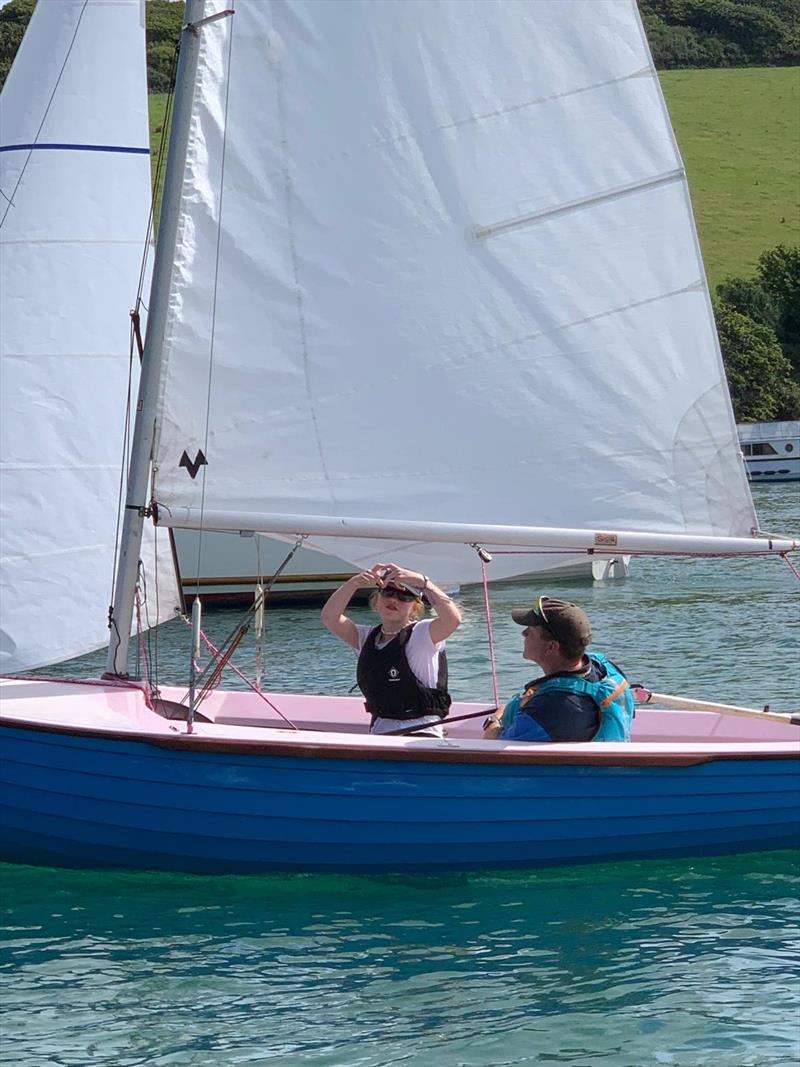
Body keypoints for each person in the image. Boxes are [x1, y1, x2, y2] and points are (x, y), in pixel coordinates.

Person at [321, 563, 462, 737]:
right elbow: (330, 618)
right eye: (387, 592)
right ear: (377, 599)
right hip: (381, 731)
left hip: (422, 732)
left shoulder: (423, 633)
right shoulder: (366, 637)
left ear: (415, 608)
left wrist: (425, 583)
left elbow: (452, 620)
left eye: (405, 597)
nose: (394, 600)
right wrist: (353, 583)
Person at [483, 596, 634, 743]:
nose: (524, 633)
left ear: (551, 647)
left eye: (531, 631)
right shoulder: (604, 667)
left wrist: (494, 719)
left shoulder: (552, 706)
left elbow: (495, 743)